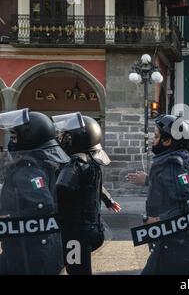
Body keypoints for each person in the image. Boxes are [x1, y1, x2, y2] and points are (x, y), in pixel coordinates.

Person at [0, 109, 70, 274]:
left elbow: (42, 205)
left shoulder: (28, 169)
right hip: (33, 249)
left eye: (15, 137)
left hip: (29, 252)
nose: (11, 142)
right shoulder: (42, 161)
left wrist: (8, 219)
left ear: (29, 138)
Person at [55, 115, 120, 275]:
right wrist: (109, 200)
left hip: (74, 233)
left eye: (66, 137)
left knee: (76, 270)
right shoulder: (92, 161)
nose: (62, 140)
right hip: (92, 227)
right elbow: (97, 185)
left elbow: (61, 188)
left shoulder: (74, 166)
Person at [141, 114, 189, 275]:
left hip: (176, 246)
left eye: (156, 136)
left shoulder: (171, 165)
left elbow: (188, 203)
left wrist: (159, 219)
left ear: (167, 141)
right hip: (176, 244)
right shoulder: (181, 160)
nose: (152, 141)